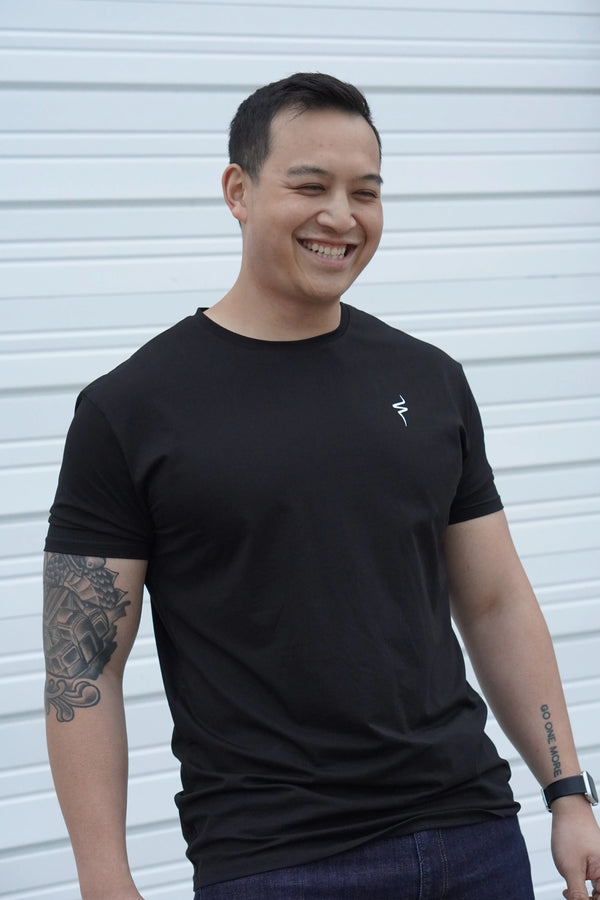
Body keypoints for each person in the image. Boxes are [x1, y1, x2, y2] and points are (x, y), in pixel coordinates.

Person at [43, 72, 600, 900]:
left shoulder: (430, 379)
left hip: (473, 839)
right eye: (311, 186)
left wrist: (567, 792)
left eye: (365, 192)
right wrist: (103, 877)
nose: (342, 216)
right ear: (238, 190)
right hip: (277, 864)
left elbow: (494, 602)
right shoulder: (131, 409)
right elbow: (81, 672)